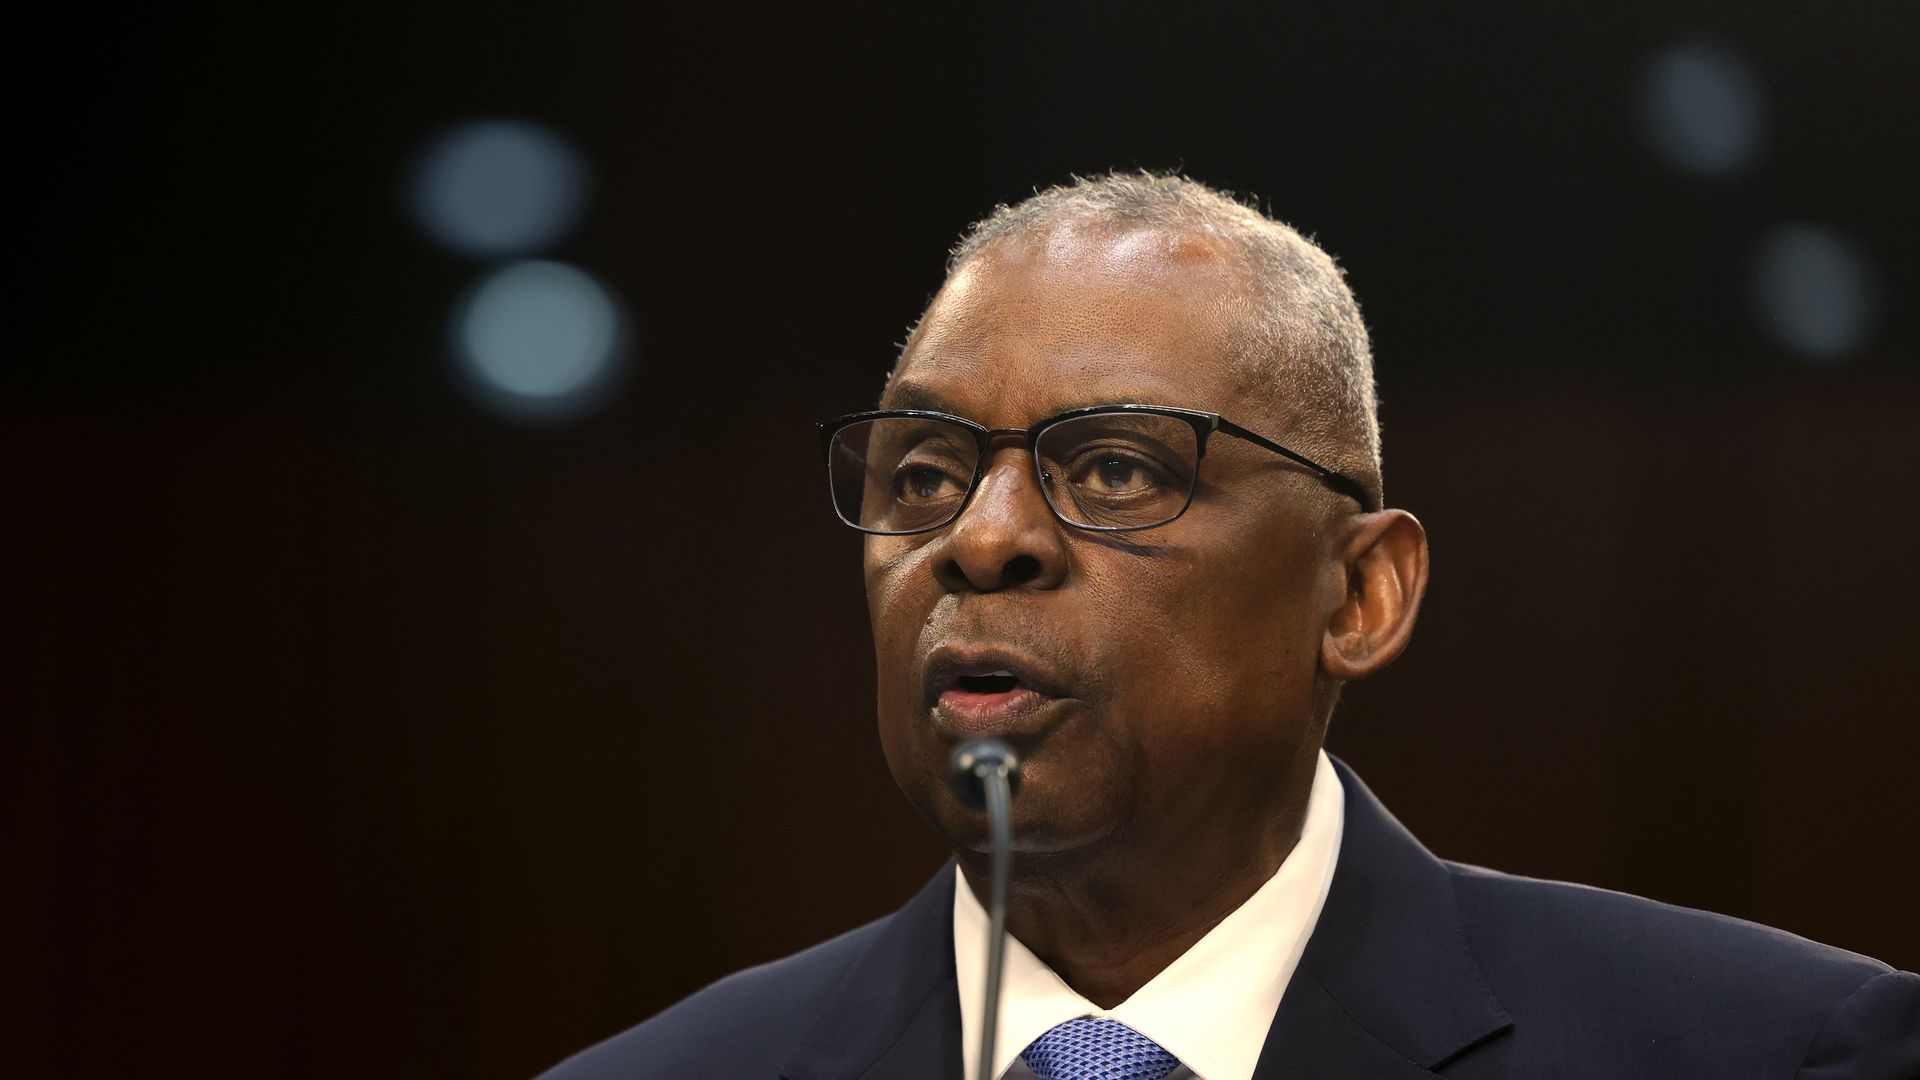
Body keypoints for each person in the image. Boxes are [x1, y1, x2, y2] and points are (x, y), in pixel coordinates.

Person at [541, 174, 1918, 1079]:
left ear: (1358, 594)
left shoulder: (1770, 1051)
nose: (981, 537)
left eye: (1116, 471)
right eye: (923, 475)